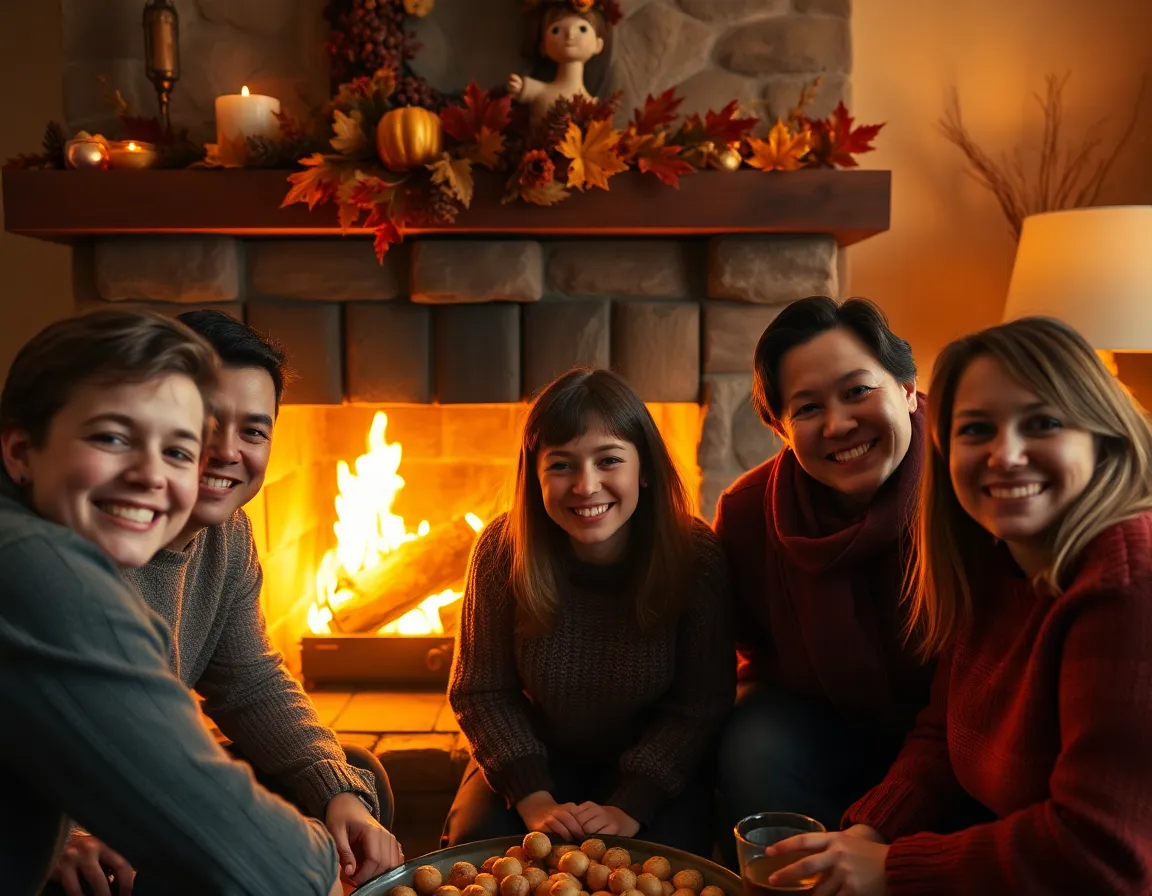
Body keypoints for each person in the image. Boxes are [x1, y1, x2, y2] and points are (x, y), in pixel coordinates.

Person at [767, 316, 1152, 894]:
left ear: (1104, 435)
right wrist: (869, 835)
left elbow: (1103, 853)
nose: (1005, 455)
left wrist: (892, 869)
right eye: (976, 430)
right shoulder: (997, 558)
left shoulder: (1127, 584)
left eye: (1042, 423)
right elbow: (943, 733)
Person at [46, 309, 402, 896]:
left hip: (141, 784)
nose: (228, 451)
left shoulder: (228, 534)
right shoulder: (77, 539)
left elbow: (251, 680)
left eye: (254, 432)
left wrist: (334, 787)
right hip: (73, 815)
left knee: (359, 780)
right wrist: (60, 830)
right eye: (205, 422)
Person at [444, 368, 733, 854]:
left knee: (662, 869)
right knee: (481, 850)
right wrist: (533, 797)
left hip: (655, 768)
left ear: (644, 470)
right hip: (534, 759)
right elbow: (480, 691)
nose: (586, 485)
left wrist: (631, 803)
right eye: (561, 465)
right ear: (534, 476)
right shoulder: (500, 551)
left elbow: (700, 705)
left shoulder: (695, 556)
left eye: (609, 460)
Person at [714, 296, 935, 835]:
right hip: (822, 723)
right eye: (808, 408)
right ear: (782, 429)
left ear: (907, 390)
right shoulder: (748, 511)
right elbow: (735, 652)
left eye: (857, 391)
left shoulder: (968, 484)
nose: (838, 424)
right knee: (754, 737)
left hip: (959, 725)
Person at [506, 0, 619, 128]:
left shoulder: (589, 103)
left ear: (598, 45)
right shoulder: (542, 91)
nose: (570, 34)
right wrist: (520, 87)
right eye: (556, 30)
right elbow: (529, 90)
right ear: (543, 47)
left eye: (582, 29)